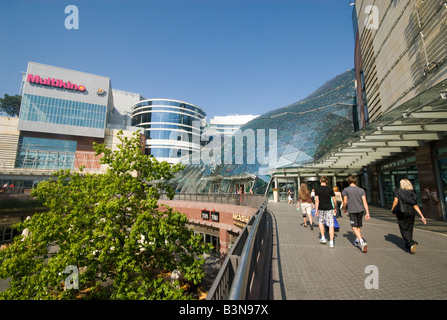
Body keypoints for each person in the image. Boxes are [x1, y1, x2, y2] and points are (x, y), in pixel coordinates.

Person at [391, 179, 427, 254]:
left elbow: (395, 201)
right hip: (411, 212)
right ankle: (408, 245)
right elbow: (415, 205)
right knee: (409, 228)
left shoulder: (398, 191)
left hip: (402, 211)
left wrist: (393, 209)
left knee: (403, 228)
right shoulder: (412, 193)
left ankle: (411, 243)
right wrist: (422, 216)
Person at [342, 175, 370, 252]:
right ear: (355, 181)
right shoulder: (361, 190)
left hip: (352, 210)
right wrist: (367, 212)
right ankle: (357, 240)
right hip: (361, 210)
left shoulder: (346, 190)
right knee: (358, 226)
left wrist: (344, 208)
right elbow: (364, 201)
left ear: (348, 181)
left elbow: (345, 201)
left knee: (353, 226)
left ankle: (361, 241)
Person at [314, 176, 337, 248]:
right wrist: (335, 208)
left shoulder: (317, 189)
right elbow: (334, 200)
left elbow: (317, 200)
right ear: (326, 181)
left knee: (321, 222)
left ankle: (323, 238)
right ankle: (331, 242)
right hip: (329, 208)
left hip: (321, 208)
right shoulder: (330, 189)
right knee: (330, 225)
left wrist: (316, 209)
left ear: (320, 181)